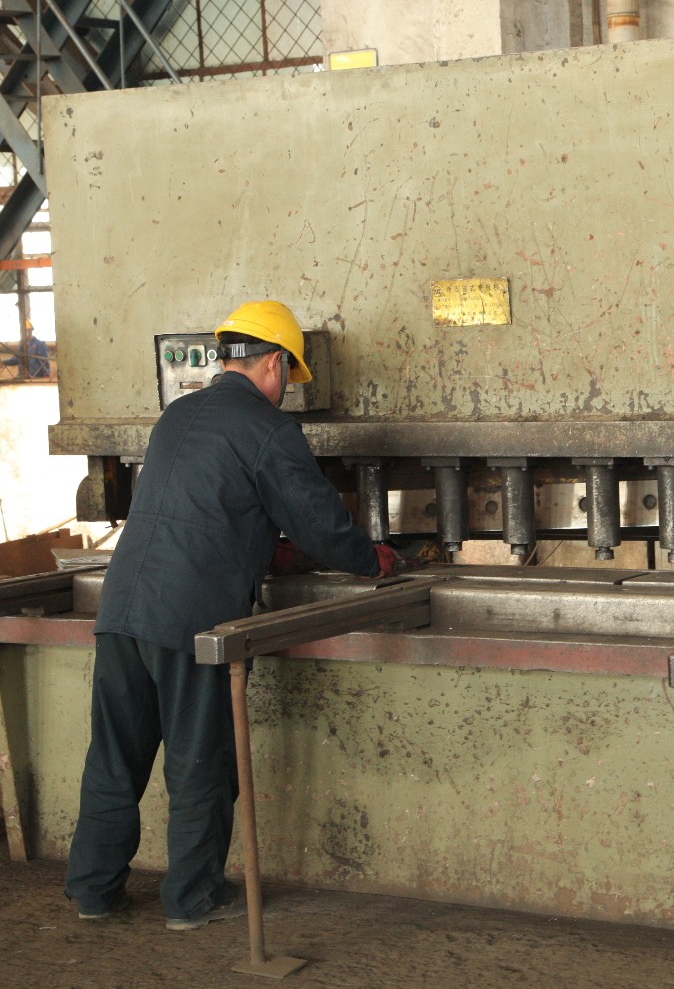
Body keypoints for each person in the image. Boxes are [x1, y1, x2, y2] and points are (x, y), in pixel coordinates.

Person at [63, 300, 417, 931]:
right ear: (274, 364)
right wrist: (371, 560)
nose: (286, 391)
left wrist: (258, 546)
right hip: (190, 621)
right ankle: (191, 900)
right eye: (289, 377)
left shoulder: (176, 416)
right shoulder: (268, 429)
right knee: (200, 762)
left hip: (122, 609)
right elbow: (317, 522)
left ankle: (94, 891)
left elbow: (194, 509)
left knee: (114, 757)